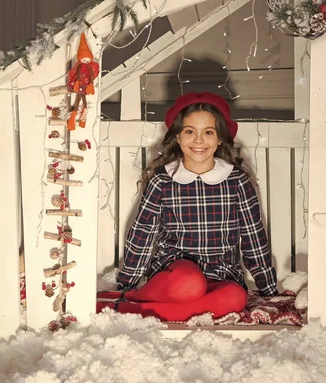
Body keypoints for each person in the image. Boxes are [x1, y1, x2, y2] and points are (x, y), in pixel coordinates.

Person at [98, 92, 278, 321]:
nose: (199, 140)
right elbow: (142, 235)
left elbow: (254, 240)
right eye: (190, 131)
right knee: (189, 283)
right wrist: (126, 284)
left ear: (220, 138)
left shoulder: (237, 182)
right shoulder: (163, 181)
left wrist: (268, 290)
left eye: (209, 132)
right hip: (175, 274)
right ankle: (133, 297)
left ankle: (129, 310)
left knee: (236, 298)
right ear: (178, 137)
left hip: (221, 275)